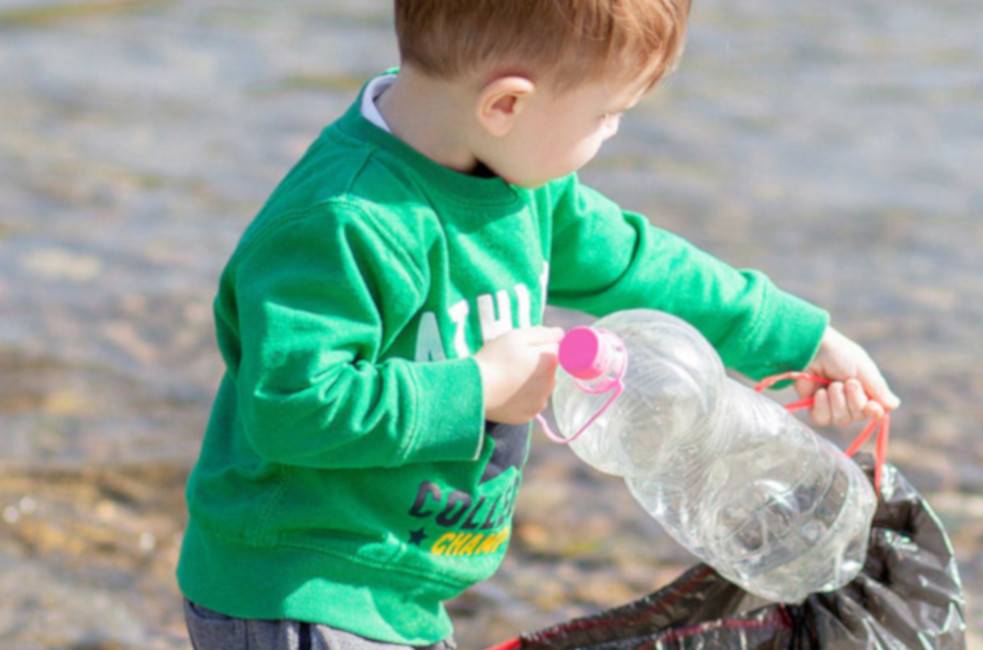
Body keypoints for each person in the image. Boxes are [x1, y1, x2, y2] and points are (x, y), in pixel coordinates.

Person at [175, 1, 901, 648]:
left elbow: (642, 265)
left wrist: (799, 338)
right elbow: (291, 406)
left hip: (400, 585)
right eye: (605, 115)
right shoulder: (345, 222)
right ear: (506, 105)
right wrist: (476, 389)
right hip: (297, 587)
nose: (612, 134)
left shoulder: (521, 188)